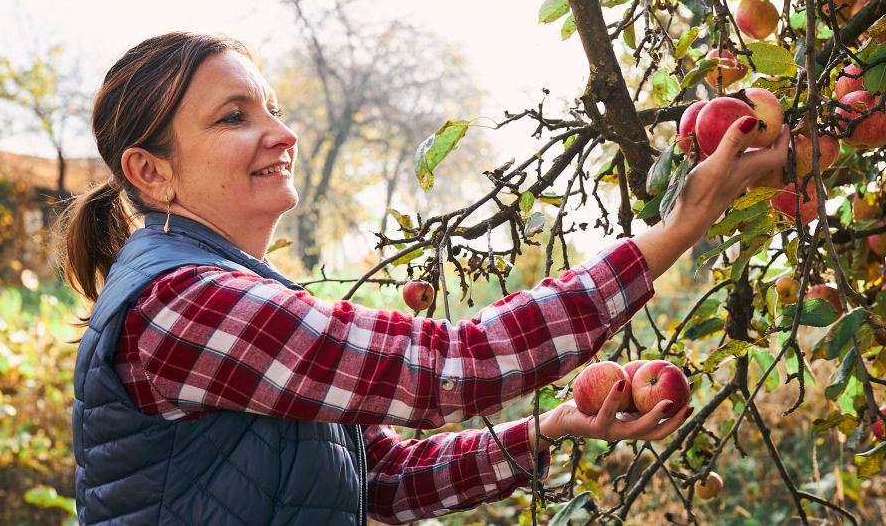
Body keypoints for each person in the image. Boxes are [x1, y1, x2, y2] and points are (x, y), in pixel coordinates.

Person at [61, 32, 789, 526]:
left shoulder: (232, 295)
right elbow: (449, 366)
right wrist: (675, 230)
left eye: (273, 110)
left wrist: (554, 425)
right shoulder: (182, 304)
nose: (281, 134)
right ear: (151, 174)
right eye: (233, 117)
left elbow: (390, 479)